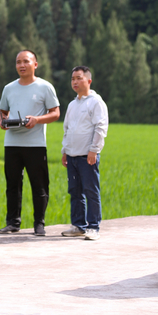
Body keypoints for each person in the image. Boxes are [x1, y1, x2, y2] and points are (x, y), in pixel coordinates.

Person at [0, 50, 60, 236]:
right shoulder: (8, 88)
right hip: (12, 143)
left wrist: (37, 120)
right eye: (18, 62)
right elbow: (3, 112)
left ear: (35, 64)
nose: (21, 65)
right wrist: (2, 121)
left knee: (39, 185)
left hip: (35, 144)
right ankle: (12, 223)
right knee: (12, 185)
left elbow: (55, 113)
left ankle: (39, 224)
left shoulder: (45, 87)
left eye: (26, 61)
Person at [61, 65, 108, 241]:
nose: (75, 81)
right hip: (72, 155)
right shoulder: (72, 104)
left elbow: (101, 128)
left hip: (87, 156)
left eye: (78, 78)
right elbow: (67, 129)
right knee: (75, 191)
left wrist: (94, 150)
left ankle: (93, 227)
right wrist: (64, 151)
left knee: (91, 191)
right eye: (73, 78)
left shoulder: (96, 102)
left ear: (88, 80)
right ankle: (78, 226)